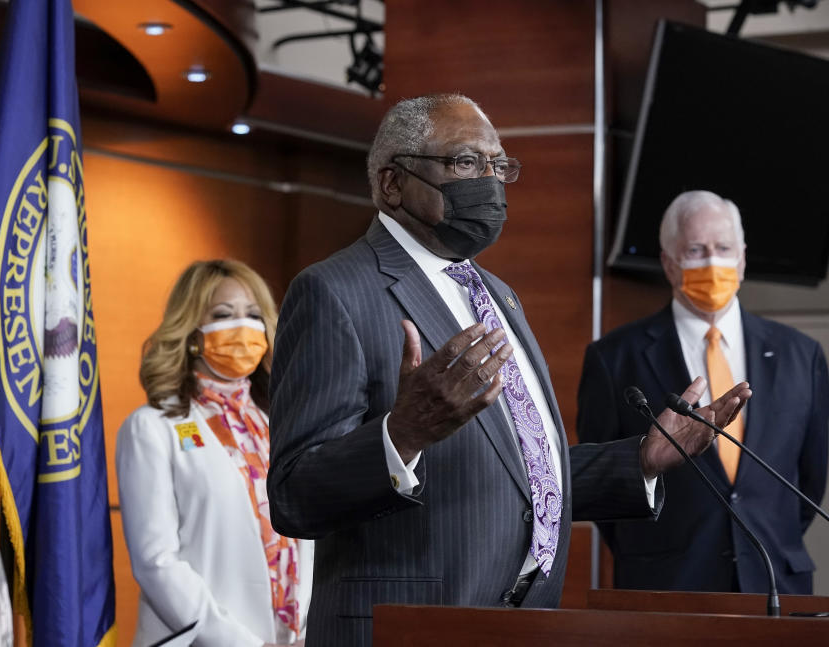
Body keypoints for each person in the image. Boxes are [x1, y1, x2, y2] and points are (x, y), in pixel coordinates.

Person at [266, 94, 751, 646]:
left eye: (499, 166)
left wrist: (639, 460)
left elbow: (521, 474)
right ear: (393, 183)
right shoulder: (333, 291)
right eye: (466, 163)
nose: (490, 182)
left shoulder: (497, 295)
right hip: (411, 627)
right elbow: (293, 495)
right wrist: (402, 435)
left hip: (520, 625)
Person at [577, 190, 829, 595]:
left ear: (742, 258)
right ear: (668, 263)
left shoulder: (801, 355)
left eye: (724, 248)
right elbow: (600, 483)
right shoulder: (614, 358)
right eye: (696, 250)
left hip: (776, 585)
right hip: (666, 586)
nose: (713, 262)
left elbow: (810, 482)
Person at [117, 260, 313, 647]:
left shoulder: (280, 424)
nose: (243, 327)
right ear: (192, 331)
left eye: (254, 314)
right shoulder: (152, 426)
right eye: (224, 314)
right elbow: (156, 561)